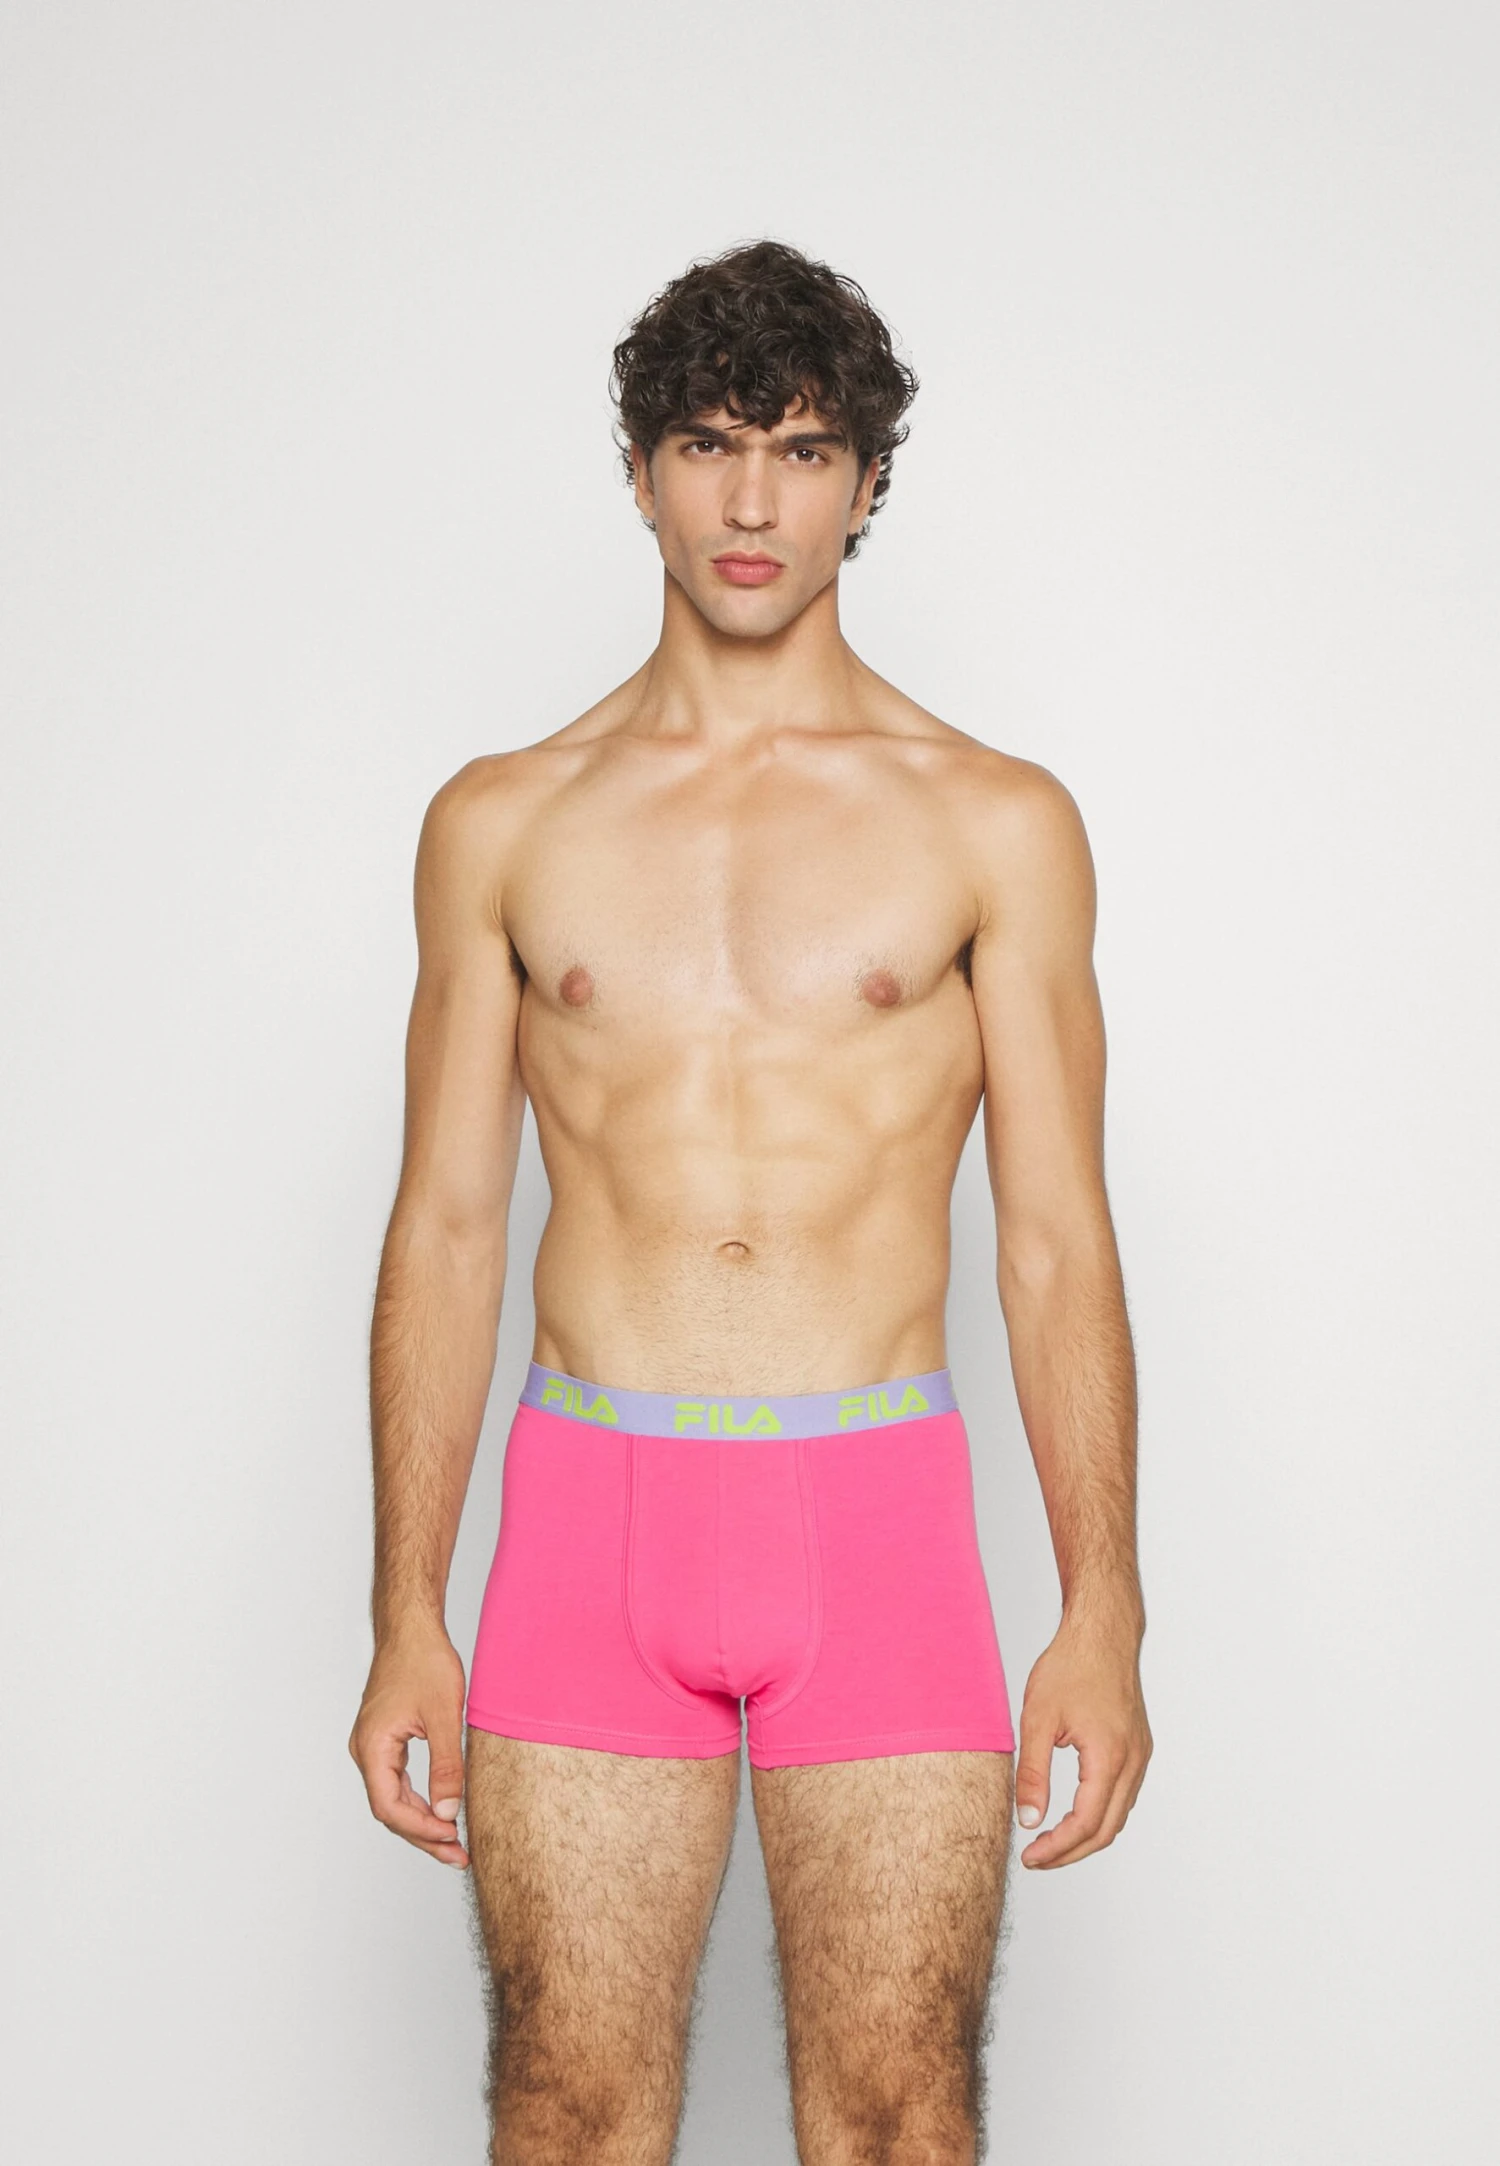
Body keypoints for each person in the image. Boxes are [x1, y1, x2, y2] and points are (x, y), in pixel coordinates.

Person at [349, 238, 1152, 2164]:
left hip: (877, 1516)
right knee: (569, 2109)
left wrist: (1105, 1602)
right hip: (586, 1515)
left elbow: (1057, 1239)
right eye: (709, 444)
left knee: (898, 2114)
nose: (751, 500)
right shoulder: (504, 819)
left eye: (802, 450)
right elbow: (444, 1228)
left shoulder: (992, 820)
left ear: (866, 485)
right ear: (640, 473)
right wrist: (404, 1610)